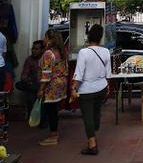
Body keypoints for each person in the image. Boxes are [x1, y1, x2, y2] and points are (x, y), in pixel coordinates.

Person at [71, 24, 112, 155]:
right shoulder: (106, 51)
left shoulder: (83, 53)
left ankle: (92, 143)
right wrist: (107, 86)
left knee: (87, 116)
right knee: (96, 112)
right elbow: (108, 73)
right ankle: (94, 128)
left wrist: (73, 88)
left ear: (88, 37)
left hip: (86, 90)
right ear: (100, 38)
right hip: (101, 87)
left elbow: (79, 73)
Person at [37, 30, 68, 146]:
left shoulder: (48, 54)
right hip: (61, 82)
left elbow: (46, 72)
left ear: (49, 39)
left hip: (52, 84)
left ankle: (53, 135)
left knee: (50, 110)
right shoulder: (61, 51)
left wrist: (41, 88)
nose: (44, 39)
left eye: (45, 37)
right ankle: (53, 133)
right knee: (54, 110)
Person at [16, 40, 45, 116]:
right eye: (33, 48)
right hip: (33, 83)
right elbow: (24, 75)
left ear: (42, 50)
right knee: (19, 85)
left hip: (44, 84)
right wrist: (28, 81)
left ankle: (37, 116)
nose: (33, 51)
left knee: (31, 92)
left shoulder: (46, 59)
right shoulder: (29, 59)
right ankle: (32, 115)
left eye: (36, 49)